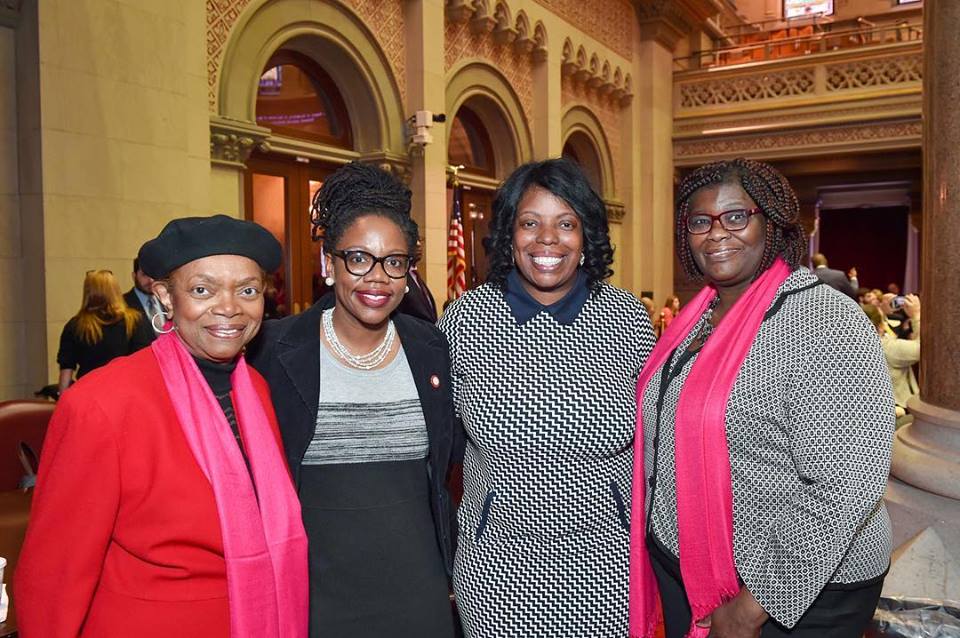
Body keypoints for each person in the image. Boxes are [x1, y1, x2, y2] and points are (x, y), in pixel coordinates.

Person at [631, 158, 894, 638]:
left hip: (792, 590)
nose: (716, 234)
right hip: (688, 564)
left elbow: (847, 485)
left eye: (735, 217)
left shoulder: (825, 320)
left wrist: (757, 604)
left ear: (770, 222)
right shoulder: (700, 312)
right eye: (699, 222)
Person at [16, 215, 308, 638]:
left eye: (247, 290)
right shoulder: (102, 403)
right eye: (202, 290)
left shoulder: (258, 390)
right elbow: (54, 574)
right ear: (166, 298)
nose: (229, 307)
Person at [438, 158, 656, 637]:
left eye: (566, 224)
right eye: (530, 223)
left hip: (607, 569)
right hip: (497, 570)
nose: (547, 240)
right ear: (509, 232)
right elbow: (439, 447)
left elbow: (659, 443)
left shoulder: (628, 320)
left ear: (586, 235)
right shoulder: (464, 321)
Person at [248, 161, 459, 638]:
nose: (376, 278)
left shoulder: (432, 350)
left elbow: (449, 467)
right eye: (358, 258)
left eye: (394, 262)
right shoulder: (272, 352)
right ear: (329, 264)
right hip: (315, 597)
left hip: (418, 593)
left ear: (409, 273)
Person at [56, 268, 149, 392]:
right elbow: (141, 363)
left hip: (88, 393)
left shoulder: (75, 326)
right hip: (123, 391)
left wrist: (62, 402)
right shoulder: (134, 321)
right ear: (115, 291)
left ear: (88, 292)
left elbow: (66, 371)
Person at [864, 297, 920, 420]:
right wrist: (917, 315)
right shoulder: (887, 347)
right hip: (899, 411)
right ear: (879, 326)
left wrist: (882, 312)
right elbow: (922, 348)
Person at [123, 255, 162, 348]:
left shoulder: (168, 301)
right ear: (134, 276)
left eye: (154, 275)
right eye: (144, 275)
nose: (151, 280)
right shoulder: (122, 305)